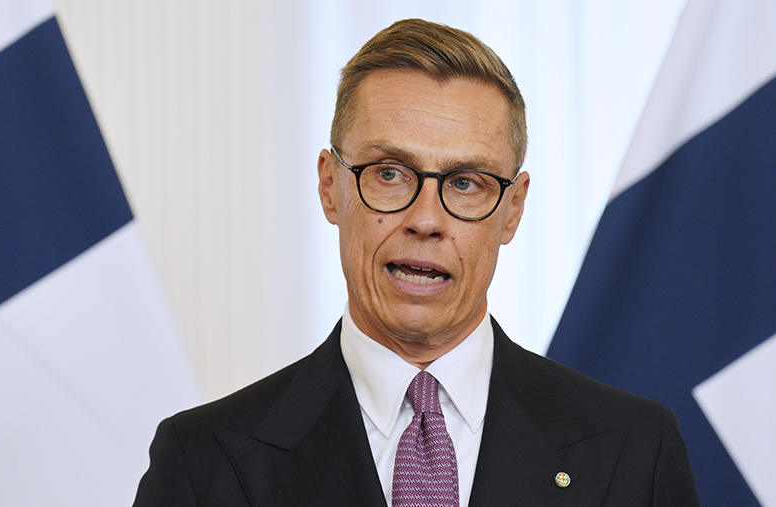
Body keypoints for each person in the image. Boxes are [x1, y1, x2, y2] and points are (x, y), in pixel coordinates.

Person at [133, 18, 700, 506]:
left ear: (512, 210)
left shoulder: (636, 449)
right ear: (330, 187)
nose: (426, 219)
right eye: (389, 173)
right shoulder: (203, 461)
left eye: (466, 182)